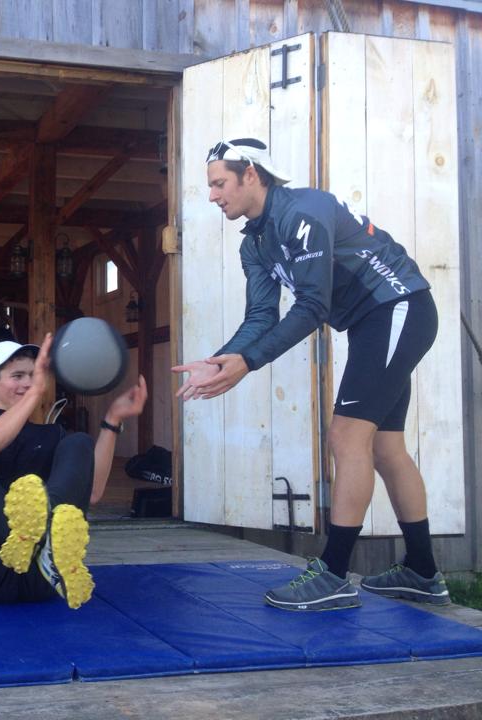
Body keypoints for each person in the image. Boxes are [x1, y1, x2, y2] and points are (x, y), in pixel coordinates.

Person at [172, 138, 450, 611]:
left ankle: (335, 575)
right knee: (384, 445)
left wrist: (249, 362)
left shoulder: (305, 210)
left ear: (251, 174)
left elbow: (313, 307)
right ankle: (423, 571)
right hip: (373, 322)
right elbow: (261, 316)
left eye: (219, 184)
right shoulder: (255, 244)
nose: (213, 196)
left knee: (346, 438)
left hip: (398, 307)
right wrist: (225, 358)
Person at [0, 332, 147, 609]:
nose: (28, 383)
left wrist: (113, 420)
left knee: (79, 442)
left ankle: (45, 547)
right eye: (18, 376)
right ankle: (30, 538)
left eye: (33, 375)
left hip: (40, 578)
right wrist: (36, 393)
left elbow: (93, 492)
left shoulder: (51, 434)